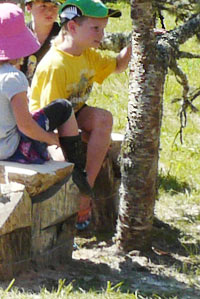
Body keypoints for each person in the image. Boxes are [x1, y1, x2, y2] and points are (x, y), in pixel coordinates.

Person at [29, 0, 131, 230]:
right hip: (44, 125)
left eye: (103, 29)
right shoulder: (55, 65)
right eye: (95, 29)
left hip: (73, 115)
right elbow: (49, 118)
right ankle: (64, 216)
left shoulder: (87, 54)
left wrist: (138, 42)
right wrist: (61, 145)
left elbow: (117, 65)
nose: (101, 35)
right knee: (59, 163)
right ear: (73, 27)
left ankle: (87, 187)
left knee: (103, 118)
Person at [0, 2, 92, 198]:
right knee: (63, 107)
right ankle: (77, 172)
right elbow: (25, 126)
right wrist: (52, 139)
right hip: (11, 149)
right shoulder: (13, 78)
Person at [21, 0, 62, 84]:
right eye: (43, 6)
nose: (50, 11)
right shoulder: (20, 35)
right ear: (29, 7)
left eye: (54, 6)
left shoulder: (63, 37)